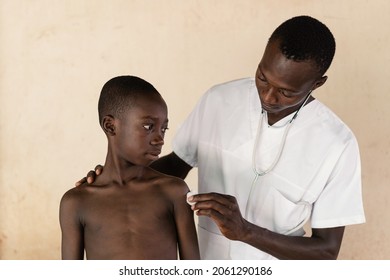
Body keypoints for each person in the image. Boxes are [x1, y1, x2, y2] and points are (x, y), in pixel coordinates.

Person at [77, 16, 365, 260]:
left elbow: (326, 250)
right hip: (203, 259)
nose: (267, 96)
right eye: (263, 77)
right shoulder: (219, 100)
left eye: (286, 92)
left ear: (317, 83)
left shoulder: (337, 145)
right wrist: (113, 180)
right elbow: (177, 164)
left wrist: (247, 232)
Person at [61, 75, 200, 260]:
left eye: (163, 128)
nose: (160, 139)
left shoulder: (173, 192)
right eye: (148, 126)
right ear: (110, 126)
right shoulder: (76, 202)